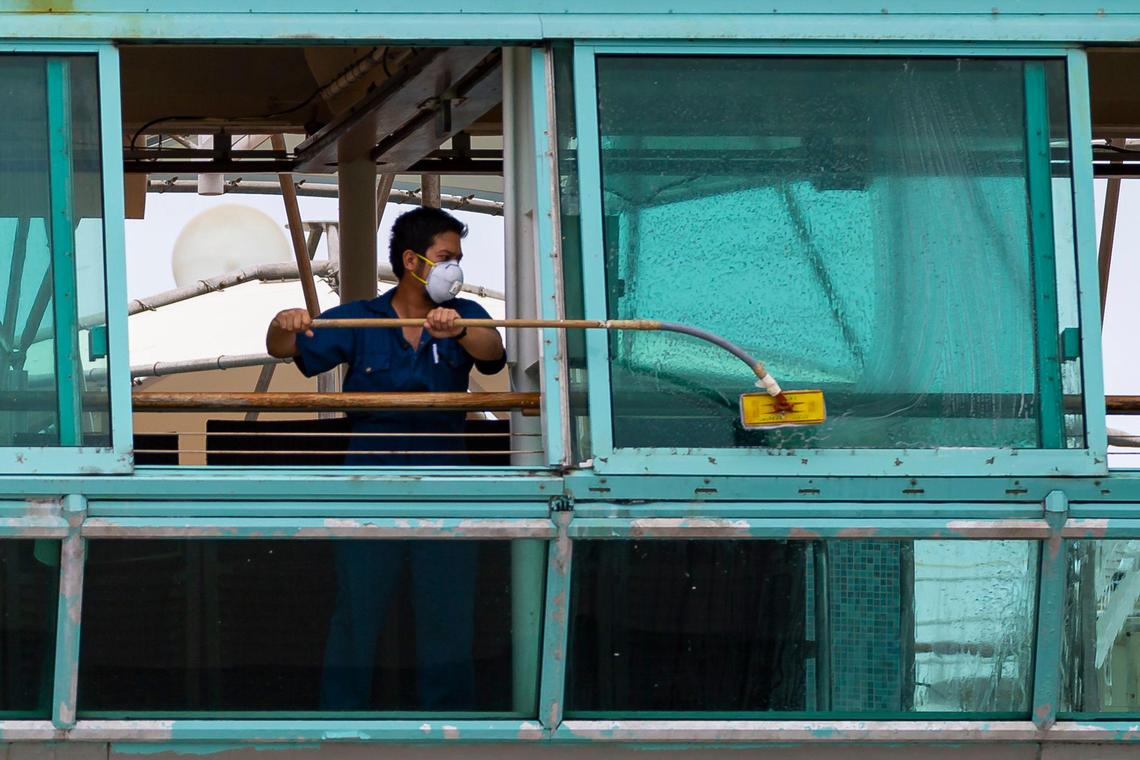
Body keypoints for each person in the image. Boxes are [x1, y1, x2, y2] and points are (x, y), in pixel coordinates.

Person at [267, 206, 506, 709]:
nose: (454, 269)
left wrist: (458, 329)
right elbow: (286, 348)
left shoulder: (464, 314)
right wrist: (283, 322)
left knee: (447, 606)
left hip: (445, 481)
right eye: (446, 258)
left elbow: (492, 350)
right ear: (412, 261)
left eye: (457, 259)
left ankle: (447, 725)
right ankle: (343, 720)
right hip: (369, 480)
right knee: (360, 604)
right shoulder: (363, 317)